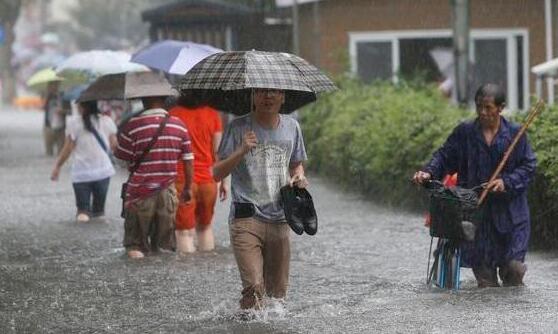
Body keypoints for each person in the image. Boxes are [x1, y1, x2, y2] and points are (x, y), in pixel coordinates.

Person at [413, 83, 536, 287]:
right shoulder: (465, 133)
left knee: (513, 270)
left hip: (511, 218)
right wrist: (428, 172)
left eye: (488, 108)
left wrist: (506, 182)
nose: (482, 112)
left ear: (500, 108)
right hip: (477, 217)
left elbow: (528, 167)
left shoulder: (516, 134)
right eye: (479, 107)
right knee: (486, 283)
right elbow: (444, 156)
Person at [213, 88, 308, 310]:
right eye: (262, 92)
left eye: (274, 92)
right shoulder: (237, 127)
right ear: (253, 96)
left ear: (283, 97)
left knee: (277, 296)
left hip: (282, 216)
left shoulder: (292, 127)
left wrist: (300, 176)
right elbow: (217, 173)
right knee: (254, 288)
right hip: (246, 218)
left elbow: (297, 164)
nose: (268, 97)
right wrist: (241, 150)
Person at [114, 95, 194, 259]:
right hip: (167, 194)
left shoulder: (133, 125)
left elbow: (121, 158)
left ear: (143, 101)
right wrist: (187, 188)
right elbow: (188, 161)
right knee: (163, 249)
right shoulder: (179, 126)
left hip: (139, 193)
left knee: (135, 246)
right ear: (165, 101)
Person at [169, 91, 227, 253]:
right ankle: (206, 267)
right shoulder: (213, 114)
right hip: (209, 181)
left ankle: (187, 274)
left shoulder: (173, 115)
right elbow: (219, 152)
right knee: (205, 227)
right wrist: (224, 182)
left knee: (184, 232)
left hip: (182, 181)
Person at [50, 100, 117, 223]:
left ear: (81, 106)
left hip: (81, 173)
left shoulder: (74, 123)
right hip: (103, 172)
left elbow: (68, 148)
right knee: (99, 213)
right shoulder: (106, 121)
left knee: (82, 212)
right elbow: (114, 145)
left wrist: (57, 166)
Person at [43, 81, 70, 156]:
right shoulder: (48, 96)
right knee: (49, 153)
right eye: (50, 85)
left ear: (58, 85)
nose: (53, 87)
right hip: (48, 127)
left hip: (61, 128)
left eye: (55, 85)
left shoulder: (64, 96)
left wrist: (62, 111)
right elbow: (43, 107)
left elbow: (70, 112)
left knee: (61, 152)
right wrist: (47, 95)